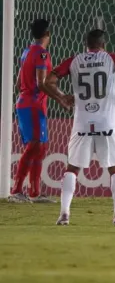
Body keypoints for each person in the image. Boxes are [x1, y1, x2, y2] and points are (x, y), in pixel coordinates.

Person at [44, 29, 115, 226]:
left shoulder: (74, 60)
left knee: (72, 168)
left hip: (82, 122)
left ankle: (64, 214)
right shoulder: (110, 58)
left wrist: (62, 96)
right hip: (107, 123)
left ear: (86, 45)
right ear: (103, 44)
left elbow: (48, 81)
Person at [10, 19, 60, 204]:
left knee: (41, 147)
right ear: (48, 34)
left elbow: (18, 83)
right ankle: (16, 190)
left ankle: (34, 192)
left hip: (27, 103)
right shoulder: (42, 54)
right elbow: (41, 83)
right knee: (34, 146)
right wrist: (60, 98)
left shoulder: (26, 52)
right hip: (32, 105)